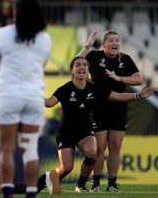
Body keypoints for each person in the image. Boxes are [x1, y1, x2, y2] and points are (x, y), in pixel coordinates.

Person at [44, 56, 154, 193]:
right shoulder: (65, 89)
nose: (81, 67)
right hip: (66, 131)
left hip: (84, 131)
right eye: (77, 65)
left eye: (84, 65)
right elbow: (49, 103)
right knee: (67, 168)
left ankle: (81, 185)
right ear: (72, 70)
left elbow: (118, 96)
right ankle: (53, 177)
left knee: (92, 152)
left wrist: (138, 95)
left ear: (88, 70)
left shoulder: (94, 89)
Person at [0, 0, 52, 198]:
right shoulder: (45, 38)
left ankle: (8, 194)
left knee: (6, 149)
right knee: (30, 150)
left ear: (16, 12)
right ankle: (31, 194)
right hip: (33, 97)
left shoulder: (4, 34)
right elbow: (41, 65)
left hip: (8, 96)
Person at [77, 30, 143, 192]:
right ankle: (95, 184)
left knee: (115, 146)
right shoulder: (94, 56)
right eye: (111, 41)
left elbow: (138, 79)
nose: (115, 44)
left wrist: (120, 78)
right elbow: (76, 63)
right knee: (99, 147)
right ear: (104, 44)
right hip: (98, 109)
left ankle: (112, 183)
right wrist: (87, 46)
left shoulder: (124, 59)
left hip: (118, 109)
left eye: (117, 41)